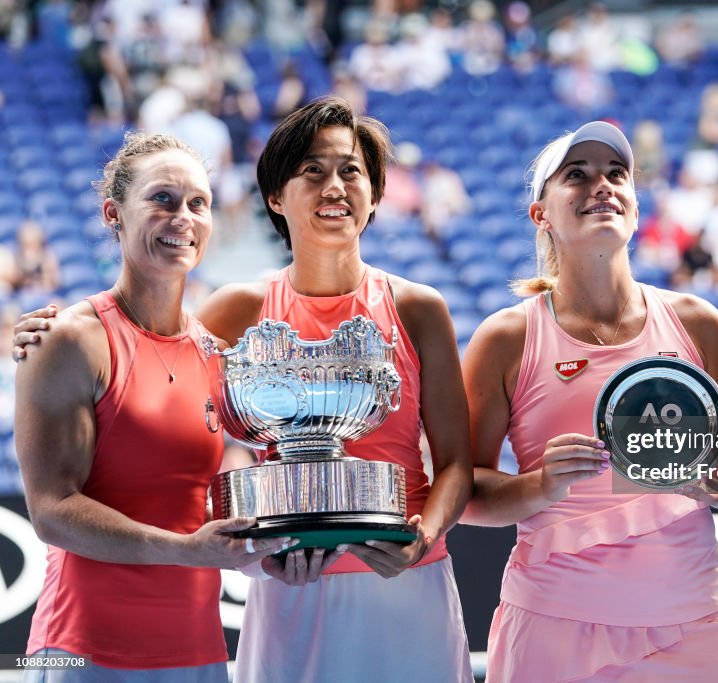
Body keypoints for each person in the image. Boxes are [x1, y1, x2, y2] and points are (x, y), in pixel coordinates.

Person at [14, 98, 474, 683]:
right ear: (275, 198)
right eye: (312, 169)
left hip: (255, 623)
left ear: (377, 195)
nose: (334, 185)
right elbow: (60, 499)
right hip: (95, 639)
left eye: (351, 170)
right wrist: (45, 338)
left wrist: (414, 536)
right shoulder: (222, 317)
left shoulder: (210, 343)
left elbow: (456, 463)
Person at [461, 121, 718, 683]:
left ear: (636, 208)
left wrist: (716, 479)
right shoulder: (506, 337)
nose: (603, 186)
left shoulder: (698, 324)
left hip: (690, 625)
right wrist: (539, 486)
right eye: (577, 176)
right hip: (550, 625)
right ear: (541, 214)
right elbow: (463, 490)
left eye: (617, 174)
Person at [13, 133, 286, 681]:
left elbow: (196, 507)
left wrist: (268, 552)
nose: (182, 217)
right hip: (86, 650)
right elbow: (52, 512)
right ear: (114, 213)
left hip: (198, 650)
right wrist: (188, 550)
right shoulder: (69, 340)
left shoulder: (215, 351)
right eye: (162, 199)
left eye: (197, 203)